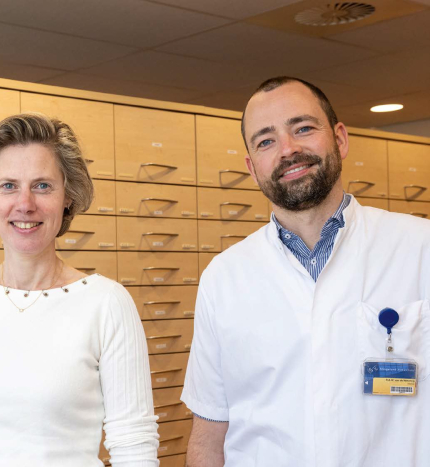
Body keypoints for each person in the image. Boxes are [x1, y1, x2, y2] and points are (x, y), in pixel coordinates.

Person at [181, 77, 430, 467]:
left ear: (340, 139)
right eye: (265, 141)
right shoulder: (224, 278)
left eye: (303, 128)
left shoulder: (420, 248)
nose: (288, 149)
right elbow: (209, 435)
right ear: (252, 167)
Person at [0, 113, 159, 466]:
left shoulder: (106, 303)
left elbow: (134, 445)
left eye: (42, 185)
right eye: (9, 185)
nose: (25, 203)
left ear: (68, 197)